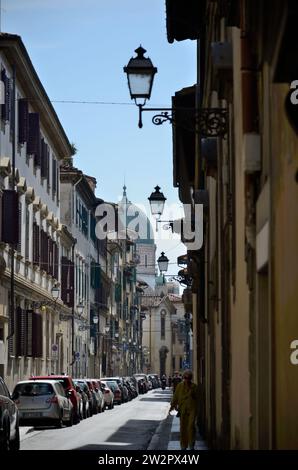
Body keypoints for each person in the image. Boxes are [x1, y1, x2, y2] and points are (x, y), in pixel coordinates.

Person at [169, 370, 199, 450]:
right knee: (183, 428)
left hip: (192, 409)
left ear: (191, 378)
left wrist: (193, 395)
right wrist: (172, 406)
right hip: (183, 410)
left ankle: (191, 444)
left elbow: (199, 399)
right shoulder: (180, 386)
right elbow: (175, 397)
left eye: (188, 378)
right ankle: (183, 445)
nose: (187, 379)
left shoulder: (194, 387)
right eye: (185, 378)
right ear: (183, 378)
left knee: (191, 427)